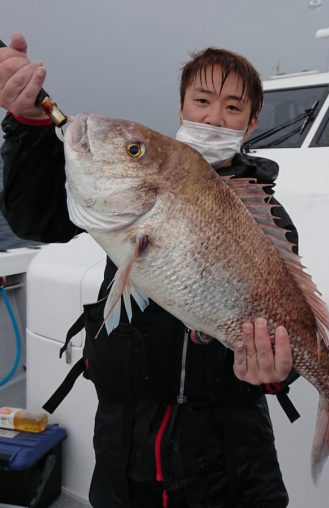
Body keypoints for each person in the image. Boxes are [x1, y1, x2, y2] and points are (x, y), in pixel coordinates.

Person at [0, 33, 299, 508]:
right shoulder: (137, 189)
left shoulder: (269, 219)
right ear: (181, 106)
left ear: (251, 121)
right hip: (126, 446)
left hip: (231, 455)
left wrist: (276, 374)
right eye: (201, 100)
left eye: (232, 108)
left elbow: (285, 321)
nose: (213, 117)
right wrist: (26, 126)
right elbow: (36, 218)